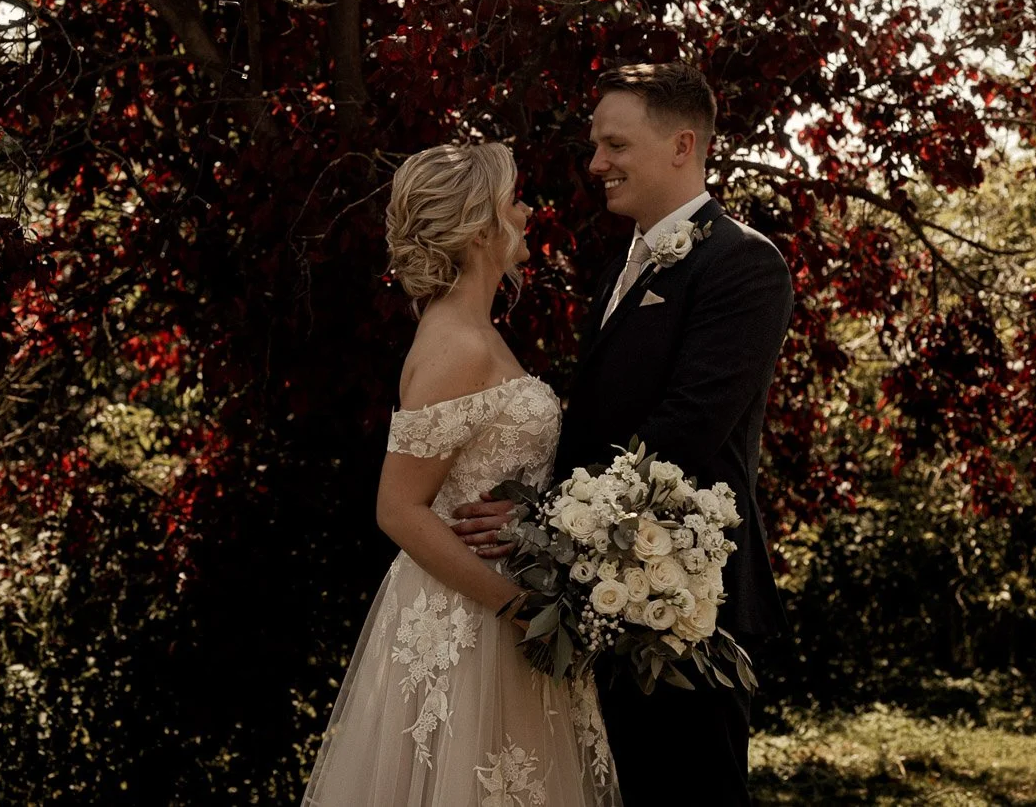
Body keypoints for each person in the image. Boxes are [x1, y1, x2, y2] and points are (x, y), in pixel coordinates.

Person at [452, 62, 795, 807]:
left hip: (686, 613)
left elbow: (680, 435)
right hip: (600, 602)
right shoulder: (619, 269)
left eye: (614, 145)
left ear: (681, 146)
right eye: (595, 146)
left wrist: (537, 524)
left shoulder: (744, 264)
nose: (595, 165)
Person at [301, 142, 621, 806]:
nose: (529, 212)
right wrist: (518, 607)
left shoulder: (474, 329)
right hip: (473, 618)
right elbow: (398, 508)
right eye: (515, 202)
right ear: (481, 228)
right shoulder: (456, 344)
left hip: (504, 606)